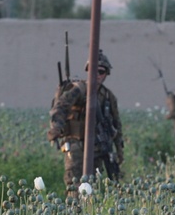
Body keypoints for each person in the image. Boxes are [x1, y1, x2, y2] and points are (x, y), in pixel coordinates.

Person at [47, 51, 123, 187]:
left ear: (106, 74)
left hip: (98, 149)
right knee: (75, 185)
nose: (97, 75)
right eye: (94, 70)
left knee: (93, 186)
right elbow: (60, 107)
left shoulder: (108, 96)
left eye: (101, 71)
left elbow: (116, 124)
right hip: (77, 146)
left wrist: (119, 150)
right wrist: (56, 127)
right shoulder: (79, 90)